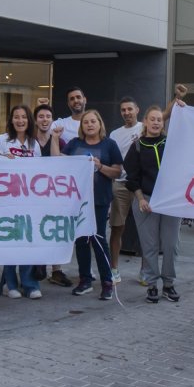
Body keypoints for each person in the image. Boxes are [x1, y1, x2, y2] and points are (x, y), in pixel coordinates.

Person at [63, 109, 123, 300]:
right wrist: (55, 140)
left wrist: (100, 167)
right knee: (81, 240)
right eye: (86, 122)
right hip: (78, 201)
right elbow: (59, 162)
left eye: (93, 121)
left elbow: (117, 172)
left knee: (98, 239)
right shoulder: (74, 144)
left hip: (99, 200)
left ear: (99, 124)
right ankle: (85, 280)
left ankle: (107, 282)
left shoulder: (109, 145)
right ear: (82, 126)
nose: (89, 125)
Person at [125, 105, 180, 303]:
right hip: (146, 200)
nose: (156, 122)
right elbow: (132, 177)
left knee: (170, 244)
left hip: (170, 201)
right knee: (149, 246)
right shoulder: (138, 146)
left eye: (159, 119)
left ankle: (168, 284)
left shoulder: (171, 143)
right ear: (145, 122)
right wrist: (140, 199)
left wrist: (180, 104)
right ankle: (151, 285)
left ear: (163, 123)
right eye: (153, 119)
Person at [0, 104, 43, 300]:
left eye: (24, 117)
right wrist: (2, 158)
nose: (20, 120)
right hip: (6, 200)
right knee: (10, 243)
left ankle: (29, 284)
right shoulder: (2, 140)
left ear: (29, 120)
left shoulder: (33, 144)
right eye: (16, 117)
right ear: (11, 120)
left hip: (27, 200)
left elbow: (39, 172)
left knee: (26, 242)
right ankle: (9, 284)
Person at [33, 102, 72, 287]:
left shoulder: (60, 141)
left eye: (48, 117)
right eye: (41, 116)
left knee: (53, 229)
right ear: (35, 120)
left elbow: (62, 163)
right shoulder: (28, 140)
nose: (45, 120)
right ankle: (36, 266)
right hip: (31, 195)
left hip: (53, 195)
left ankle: (56, 270)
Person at [108, 96, 142, 285]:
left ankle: (146, 271)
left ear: (137, 109)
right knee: (116, 228)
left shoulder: (145, 128)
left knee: (146, 230)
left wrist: (178, 99)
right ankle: (114, 270)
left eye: (130, 109)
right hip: (119, 185)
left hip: (139, 185)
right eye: (123, 110)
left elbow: (164, 115)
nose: (127, 113)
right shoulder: (114, 134)